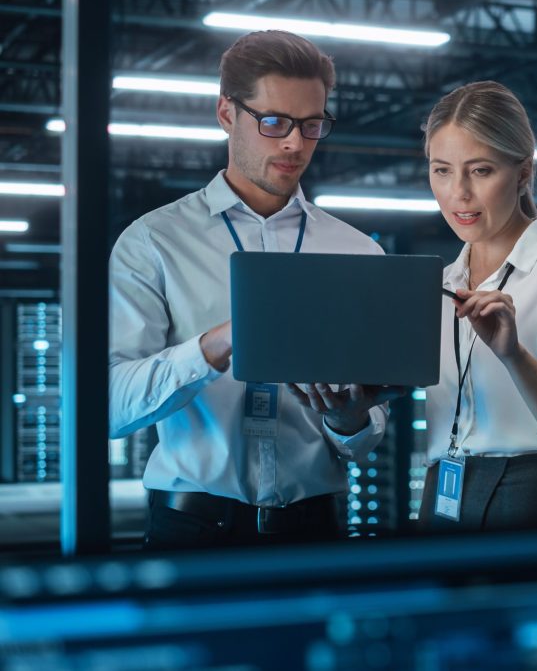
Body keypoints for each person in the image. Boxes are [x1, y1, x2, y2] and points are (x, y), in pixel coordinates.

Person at [109, 30, 402, 549]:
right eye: (274, 122)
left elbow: (363, 442)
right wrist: (215, 345)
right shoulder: (154, 241)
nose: (294, 143)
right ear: (226, 114)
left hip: (314, 534)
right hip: (192, 533)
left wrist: (350, 419)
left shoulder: (356, 252)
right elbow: (108, 408)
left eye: (311, 125)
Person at [418, 80, 537, 531]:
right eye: (441, 170)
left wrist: (514, 356)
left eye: (481, 170)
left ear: (523, 172)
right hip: (442, 496)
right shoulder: (443, 281)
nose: (458, 193)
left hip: (533, 498)